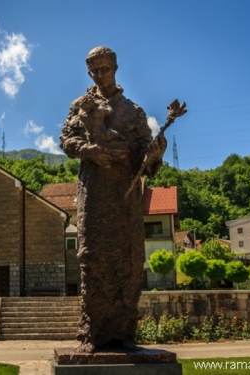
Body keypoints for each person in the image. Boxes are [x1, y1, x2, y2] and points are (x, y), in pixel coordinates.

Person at [60, 46, 167, 353]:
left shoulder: (133, 112)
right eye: (94, 70)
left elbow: (147, 155)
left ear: (116, 68)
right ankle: (92, 334)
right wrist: (85, 150)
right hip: (93, 193)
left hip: (125, 196)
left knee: (129, 261)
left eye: (104, 69)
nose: (99, 75)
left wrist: (154, 155)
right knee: (92, 259)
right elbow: (66, 139)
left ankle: (124, 334)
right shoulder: (81, 105)